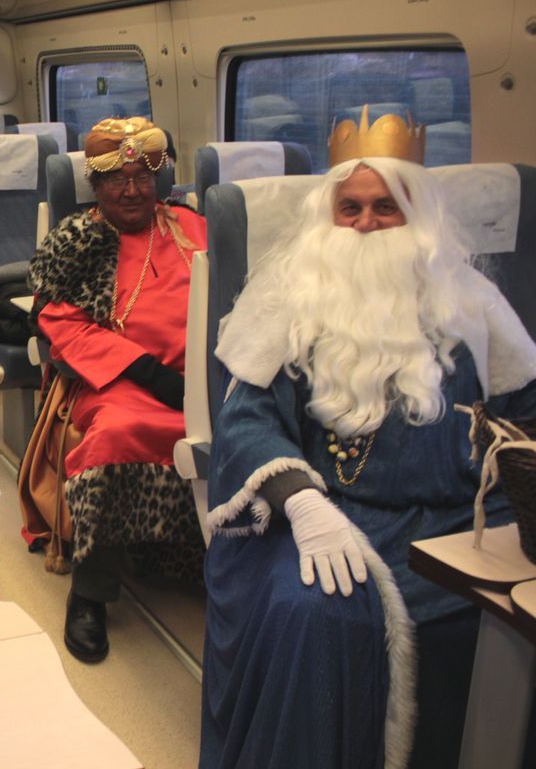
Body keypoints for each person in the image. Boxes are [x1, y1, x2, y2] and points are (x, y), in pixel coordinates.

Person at [201, 110, 536, 768]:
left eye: (386, 208)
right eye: (349, 207)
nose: (363, 223)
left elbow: (525, 412)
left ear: (419, 217)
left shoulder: (472, 303)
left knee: (503, 618)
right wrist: (299, 498)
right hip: (329, 513)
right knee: (318, 617)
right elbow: (245, 419)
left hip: (463, 515)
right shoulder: (290, 302)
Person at [27, 116, 206, 663]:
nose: (131, 190)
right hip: (118, 381)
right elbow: (62, 326)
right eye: (116, 180)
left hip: (200, 376)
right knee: (120, 433)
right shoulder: (77, 241)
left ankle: (202, 558)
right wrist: (152, 375)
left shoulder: (191, 226)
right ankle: (91, 591)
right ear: (95, 186)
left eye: (142, 177)